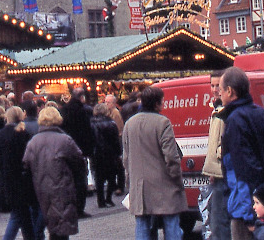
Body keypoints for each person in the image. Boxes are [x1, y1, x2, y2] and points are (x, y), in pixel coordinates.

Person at [217, 67, 264, 240]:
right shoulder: (263, 114)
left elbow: (244, 170)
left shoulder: (235, 120)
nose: (219, 95)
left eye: (220, 90)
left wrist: (250, 214)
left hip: (248, 208)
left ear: (230, 91)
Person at [122, 86, 187, 240]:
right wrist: (177, 179)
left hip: (140, 185)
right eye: (162, 101)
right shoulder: (162, 122)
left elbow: (126, 157)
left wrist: (129, 180)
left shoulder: (129, 123)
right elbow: (171, 156)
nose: (163, 104)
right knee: (171, 223)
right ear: (157, 104)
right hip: (164, 184)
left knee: (142, 224)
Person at [22, 106, 85, 240]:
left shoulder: (33, 142)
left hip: (41, 189)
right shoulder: (64, 140)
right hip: (62, 189)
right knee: (61, 229)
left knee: (49, 226)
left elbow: (26, 165)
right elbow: (79, 162)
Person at [0, 106, 37, 240]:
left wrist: (1, 170)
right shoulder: (23, 133)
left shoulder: (0, 135)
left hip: (7, 180)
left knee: (22, 215)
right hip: (23, 179)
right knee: (20, 215)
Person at [202, 69, 230, 240]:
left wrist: (218, 157)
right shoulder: (217, 109)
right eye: (211, 85)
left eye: (217, 85)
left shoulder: (225, 112)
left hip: (224, 172)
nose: (214, 89)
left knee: (220, 221)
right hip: (218, 173)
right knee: (218, 220)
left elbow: (227, 142)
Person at [59, 89, 94, 218]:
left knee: (69, 180)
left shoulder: (64, 110)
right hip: (80, 149)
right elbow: (87, 132)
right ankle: (79, 208)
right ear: (82, 97)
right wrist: (89, 149)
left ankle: (69, 207)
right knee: (80, 180)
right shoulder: (82, 111)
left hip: (65, 149)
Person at [89, 103, 121, 208]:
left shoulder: (90, 123)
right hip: (110, 153)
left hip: (96, 154)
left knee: (99, 178)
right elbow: (115, 140)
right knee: (111, 177)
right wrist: (118, 152)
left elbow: (89, 140)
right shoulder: (111, 123)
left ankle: (100, 200)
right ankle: (108, 198)